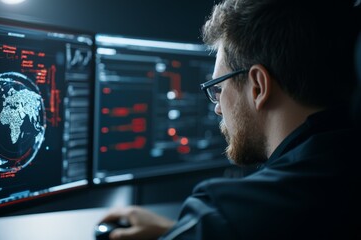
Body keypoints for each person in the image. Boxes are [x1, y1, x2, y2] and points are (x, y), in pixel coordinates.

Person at [99, 0, 361, 239]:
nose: (218, 109)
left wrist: (202, 228)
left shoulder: (225, 216)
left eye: (218, 88)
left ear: (258, 86)